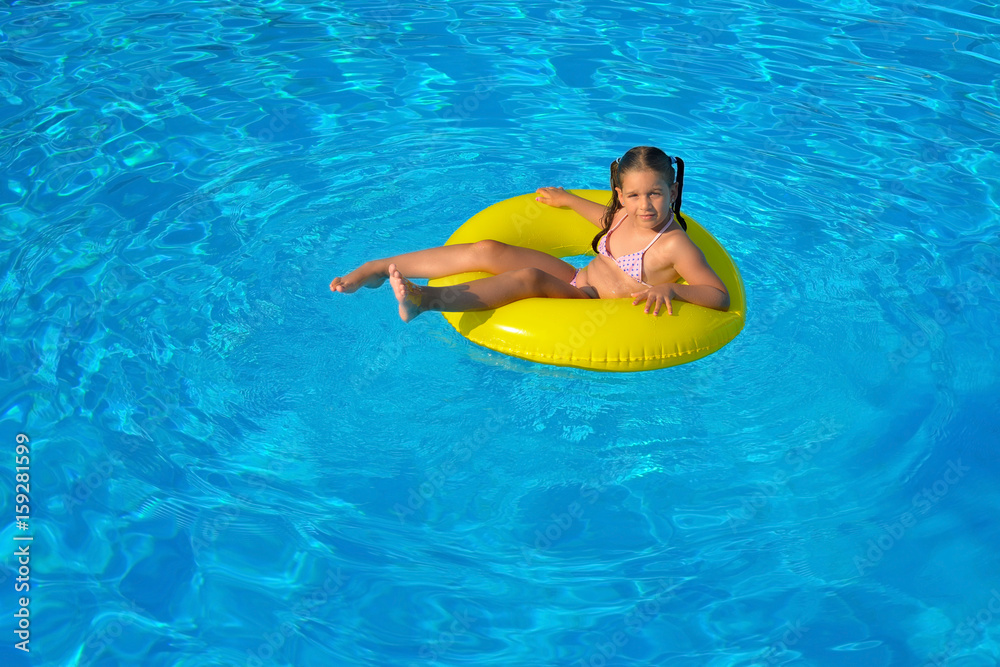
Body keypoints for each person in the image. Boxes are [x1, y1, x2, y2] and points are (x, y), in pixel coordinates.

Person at [329, 146, 730, 322]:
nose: (645, 207)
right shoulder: (625, 213)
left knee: (529, 279)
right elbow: (607, 222)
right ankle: (380, 267)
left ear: (673, 191)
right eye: (635, 196)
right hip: (578, 280)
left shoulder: (674, 243)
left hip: (588, 304)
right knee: (489, 248)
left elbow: (717, 294)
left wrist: (673, 290)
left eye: (656, 194)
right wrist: (569, 201)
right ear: (620, 194)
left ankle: (426, 300)